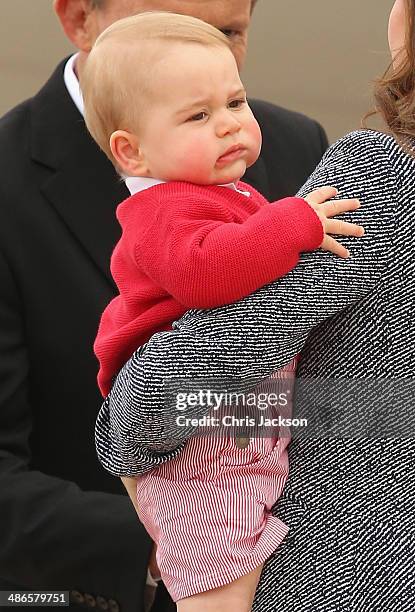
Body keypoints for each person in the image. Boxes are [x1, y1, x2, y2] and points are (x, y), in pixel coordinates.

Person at [0, 0, 329, 610]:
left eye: (226, 33)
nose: (230, 124)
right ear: (77, 18)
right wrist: (178, 546)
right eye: (166, 26)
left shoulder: (295, 142)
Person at [96, 0, 415, 610]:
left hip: (345, 569)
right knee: (215, 564)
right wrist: (291, 221)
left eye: (236, 103)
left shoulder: (379, 177)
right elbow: (204, 270)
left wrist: (126, 441)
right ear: (130, 151)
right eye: (198, 114)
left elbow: (148, 413)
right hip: (221, 450)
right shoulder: (165, 207)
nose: (228, 124)